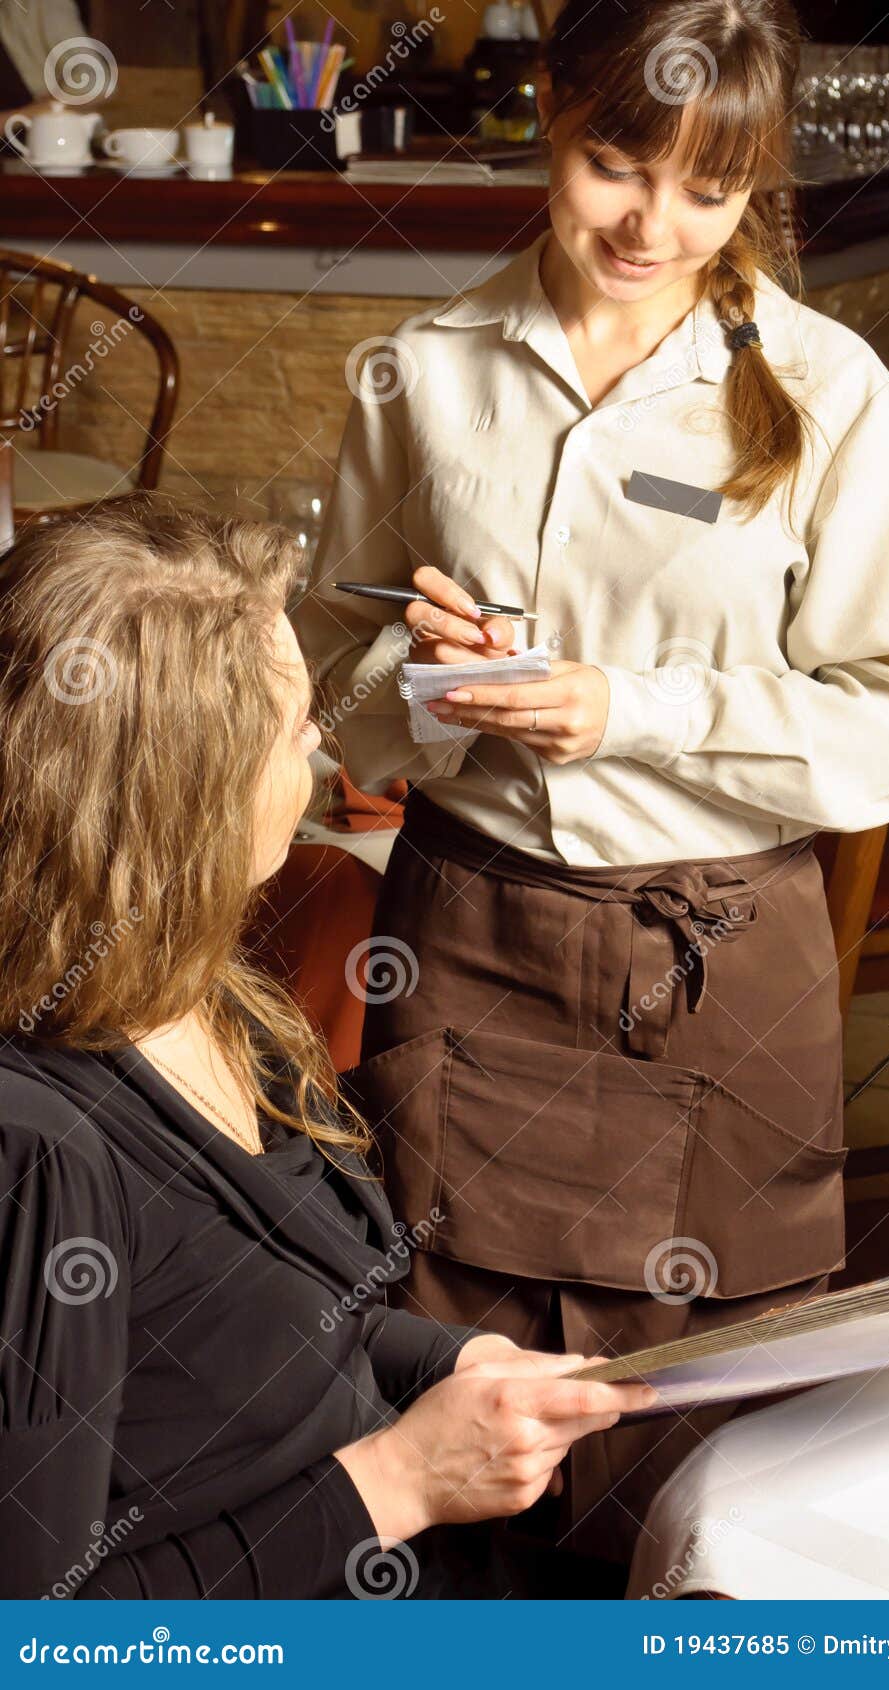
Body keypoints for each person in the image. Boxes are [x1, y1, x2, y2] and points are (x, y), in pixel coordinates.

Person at [293, 0, 889, 1560]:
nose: (651, 225)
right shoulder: (421, 371)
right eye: (614, 164)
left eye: (705, 190)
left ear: (751, 190)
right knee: (453, 1392)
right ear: (552, 115)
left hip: (718, 971)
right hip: (464, 947)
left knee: (702, 1439)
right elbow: (333, 690)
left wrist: (630, 707)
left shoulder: (823, 393)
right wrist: (426, 682)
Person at [0, 495, 653, 1601]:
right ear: (184, 793)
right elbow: (45, 1640)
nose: (321, 762)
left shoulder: (208, 996)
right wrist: (401, 1480)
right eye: (299, 731)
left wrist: (451, 1364)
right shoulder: (37, 1153)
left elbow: (256, 1342)